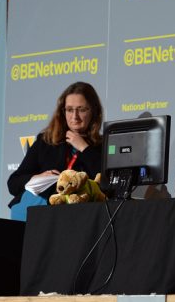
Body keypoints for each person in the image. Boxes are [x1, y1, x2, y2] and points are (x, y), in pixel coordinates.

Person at [8, 81, 104, 220]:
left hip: (76, 219)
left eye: (81, 109)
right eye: (69, 110)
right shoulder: (46, 141)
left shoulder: (101, 146)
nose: (74, 116)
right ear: (62, 111)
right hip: (35, 214)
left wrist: (84, 148)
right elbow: (13, 183)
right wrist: (37, 177)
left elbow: (108, 185)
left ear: (94, 111)